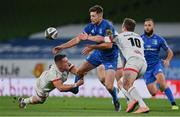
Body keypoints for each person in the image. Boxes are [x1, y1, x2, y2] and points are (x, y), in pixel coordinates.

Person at [53, 5, 121, 111]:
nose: (91, 18)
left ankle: (115, 97)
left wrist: (91, 44)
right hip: (98, 54)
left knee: (108, 86)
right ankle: (75, 88)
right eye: (90, 16)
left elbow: (109, 45)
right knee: (80, 71)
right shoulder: (90, 26)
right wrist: (62, 46)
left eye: (93, 16)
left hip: (110, 57)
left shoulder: (108, 26)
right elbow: (77, 39)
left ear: (100, 16)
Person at [18, 54, 83, 108]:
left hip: (49, 78)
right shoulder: (53, 73)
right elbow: (60, 88)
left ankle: (74, 89)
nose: (68, 63)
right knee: (40, 101)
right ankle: (24, 101)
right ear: (60, 64)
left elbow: (77, 72)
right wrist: (76, 84)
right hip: (41, 86)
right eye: (65, 62)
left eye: (67, 61)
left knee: (75, 89)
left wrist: (81, 74)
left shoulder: (65, 66)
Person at [141, 18, 179, 110]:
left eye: (149, 25)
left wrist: (167, 60)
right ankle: (160, 87)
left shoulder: (159, 39)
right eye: (145, 25)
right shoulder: (140, 39)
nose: (147, 27)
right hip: (146, 68)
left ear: (153, 26)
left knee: (162, 81)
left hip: (156, 65)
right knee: (153, 92)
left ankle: (173, 103)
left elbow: (170, 52)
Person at [115, 18, 150, 113]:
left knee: (127, 84)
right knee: (120, 83)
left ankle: (143, 105)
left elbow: (108, 40)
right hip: (143, 64)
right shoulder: (139, 37)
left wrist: (108, 31)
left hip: (133, 62)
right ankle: (131, 101)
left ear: (124, 27)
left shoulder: (120, 36)